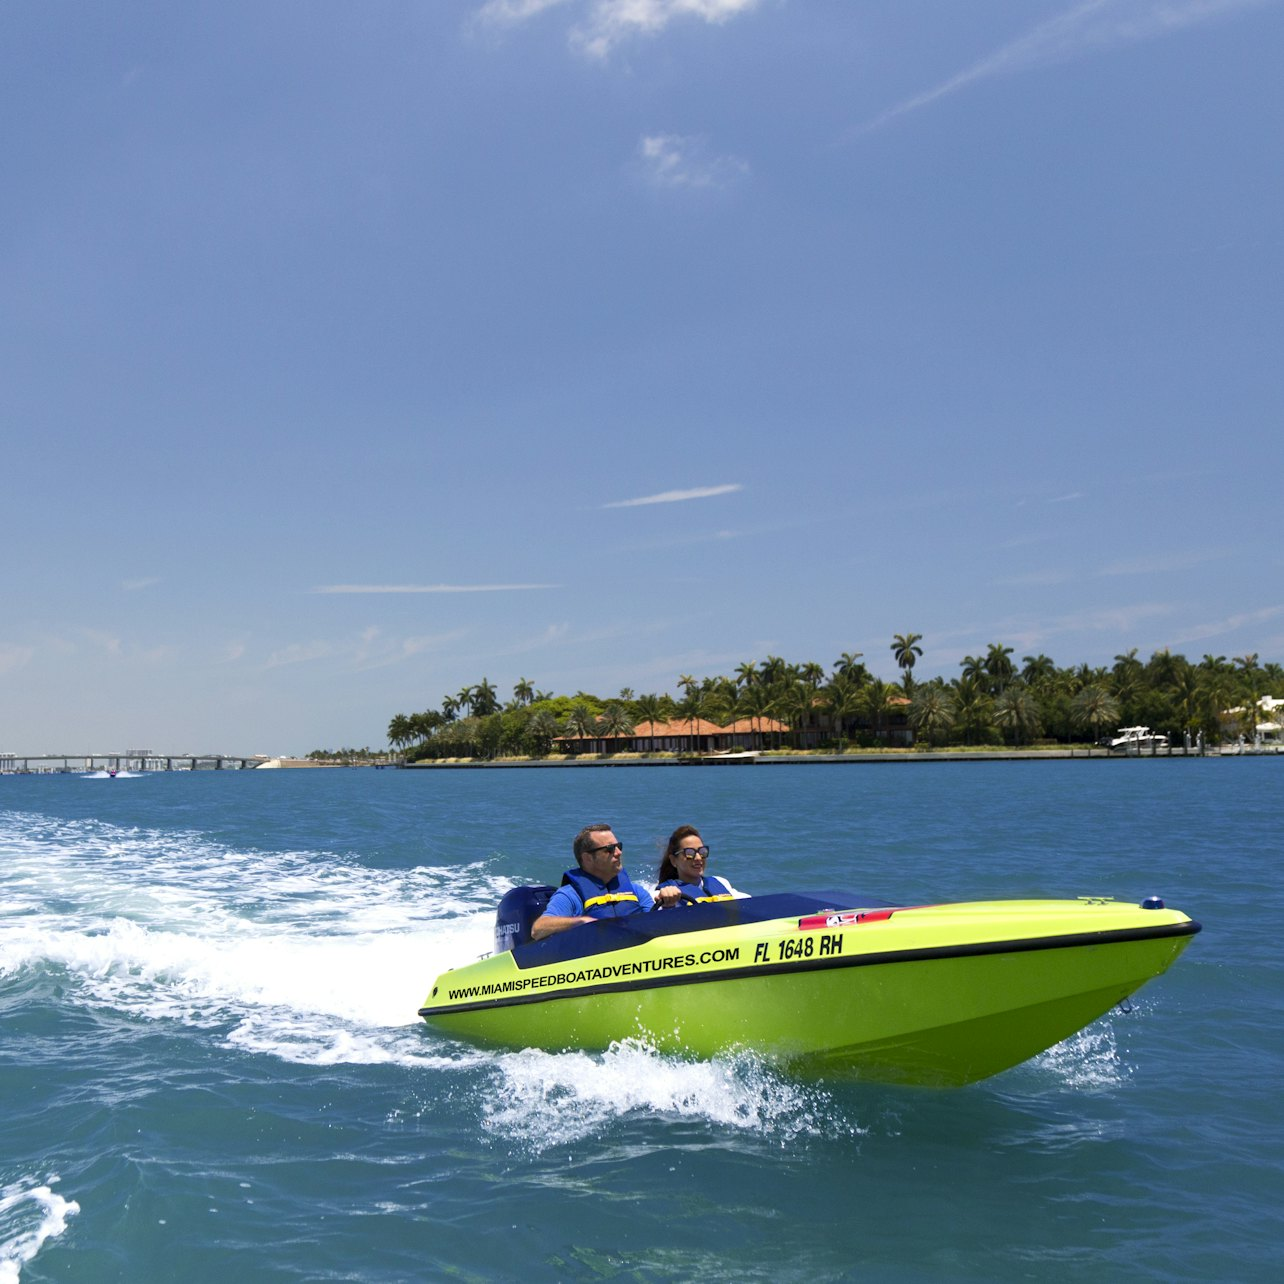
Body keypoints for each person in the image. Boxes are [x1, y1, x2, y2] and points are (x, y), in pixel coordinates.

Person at [530, 824, 681, 940]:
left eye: (618, 847)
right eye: (609, 849)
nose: (618, 852)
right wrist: (581, 922)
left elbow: (656, 925)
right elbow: (538, 929)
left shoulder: (635, 891)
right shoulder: (570, 895)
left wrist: (669, 905)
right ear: (588, 858)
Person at [655, 825, 745, 904]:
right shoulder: (663, 893)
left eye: (702, 851)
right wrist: (668, 905)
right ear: (674, 860)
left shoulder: (721, 882)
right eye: (689, 852)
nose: (698, 858)